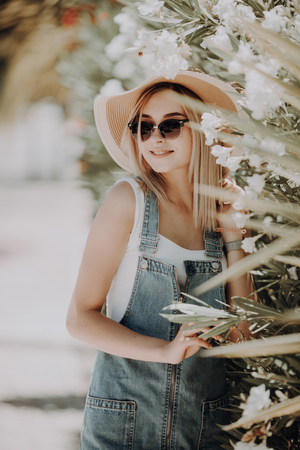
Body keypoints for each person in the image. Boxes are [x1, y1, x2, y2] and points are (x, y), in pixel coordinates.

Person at [66, 68, 253, 450]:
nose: (154, 138)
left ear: (200, 130)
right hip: (122, 424)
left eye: (170, 126)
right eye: (142, 126)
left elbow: (242, 335)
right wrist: (163, 351)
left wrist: (234, 235)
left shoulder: (220, 215)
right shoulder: (127, 201)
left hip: (204, 427)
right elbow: (80, 319)